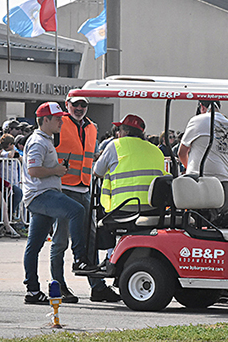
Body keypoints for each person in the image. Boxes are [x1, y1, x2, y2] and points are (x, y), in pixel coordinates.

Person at [21, 101, 96, 305]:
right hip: (41, 194)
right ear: (45, 120)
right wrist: (56, 171)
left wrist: (56, 170)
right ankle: (80, 257)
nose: (61, 122)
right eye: (56, 119)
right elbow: (34, 171)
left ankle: (33, 290)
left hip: (42, 194)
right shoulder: (39, 141)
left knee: (34, 245)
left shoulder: (46, 139)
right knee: (76, 210)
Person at [53, 95, 120, 303]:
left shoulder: (92, 127)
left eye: (83, 105)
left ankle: (97, 287)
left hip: (84, 187)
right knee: (61, 240)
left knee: (90, 239)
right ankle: (58, 285)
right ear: (67, 105)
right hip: (63, 187)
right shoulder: (59, 123)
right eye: (76, 105)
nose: (80, 108)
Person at [177, 100, 228, 221]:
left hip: (201, 180)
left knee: (198, 222)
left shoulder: (197, 120)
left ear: (201, 106)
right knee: (221, 223)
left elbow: (182, 152)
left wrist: (188, 168)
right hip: (226, 182)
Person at [93, 113, 166, 215]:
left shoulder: (115, 145)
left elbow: (97, 172)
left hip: (122, 208)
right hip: (152, 209)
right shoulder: (156, 150)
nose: (118, 133)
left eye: (120, 130)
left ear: (126, 131)